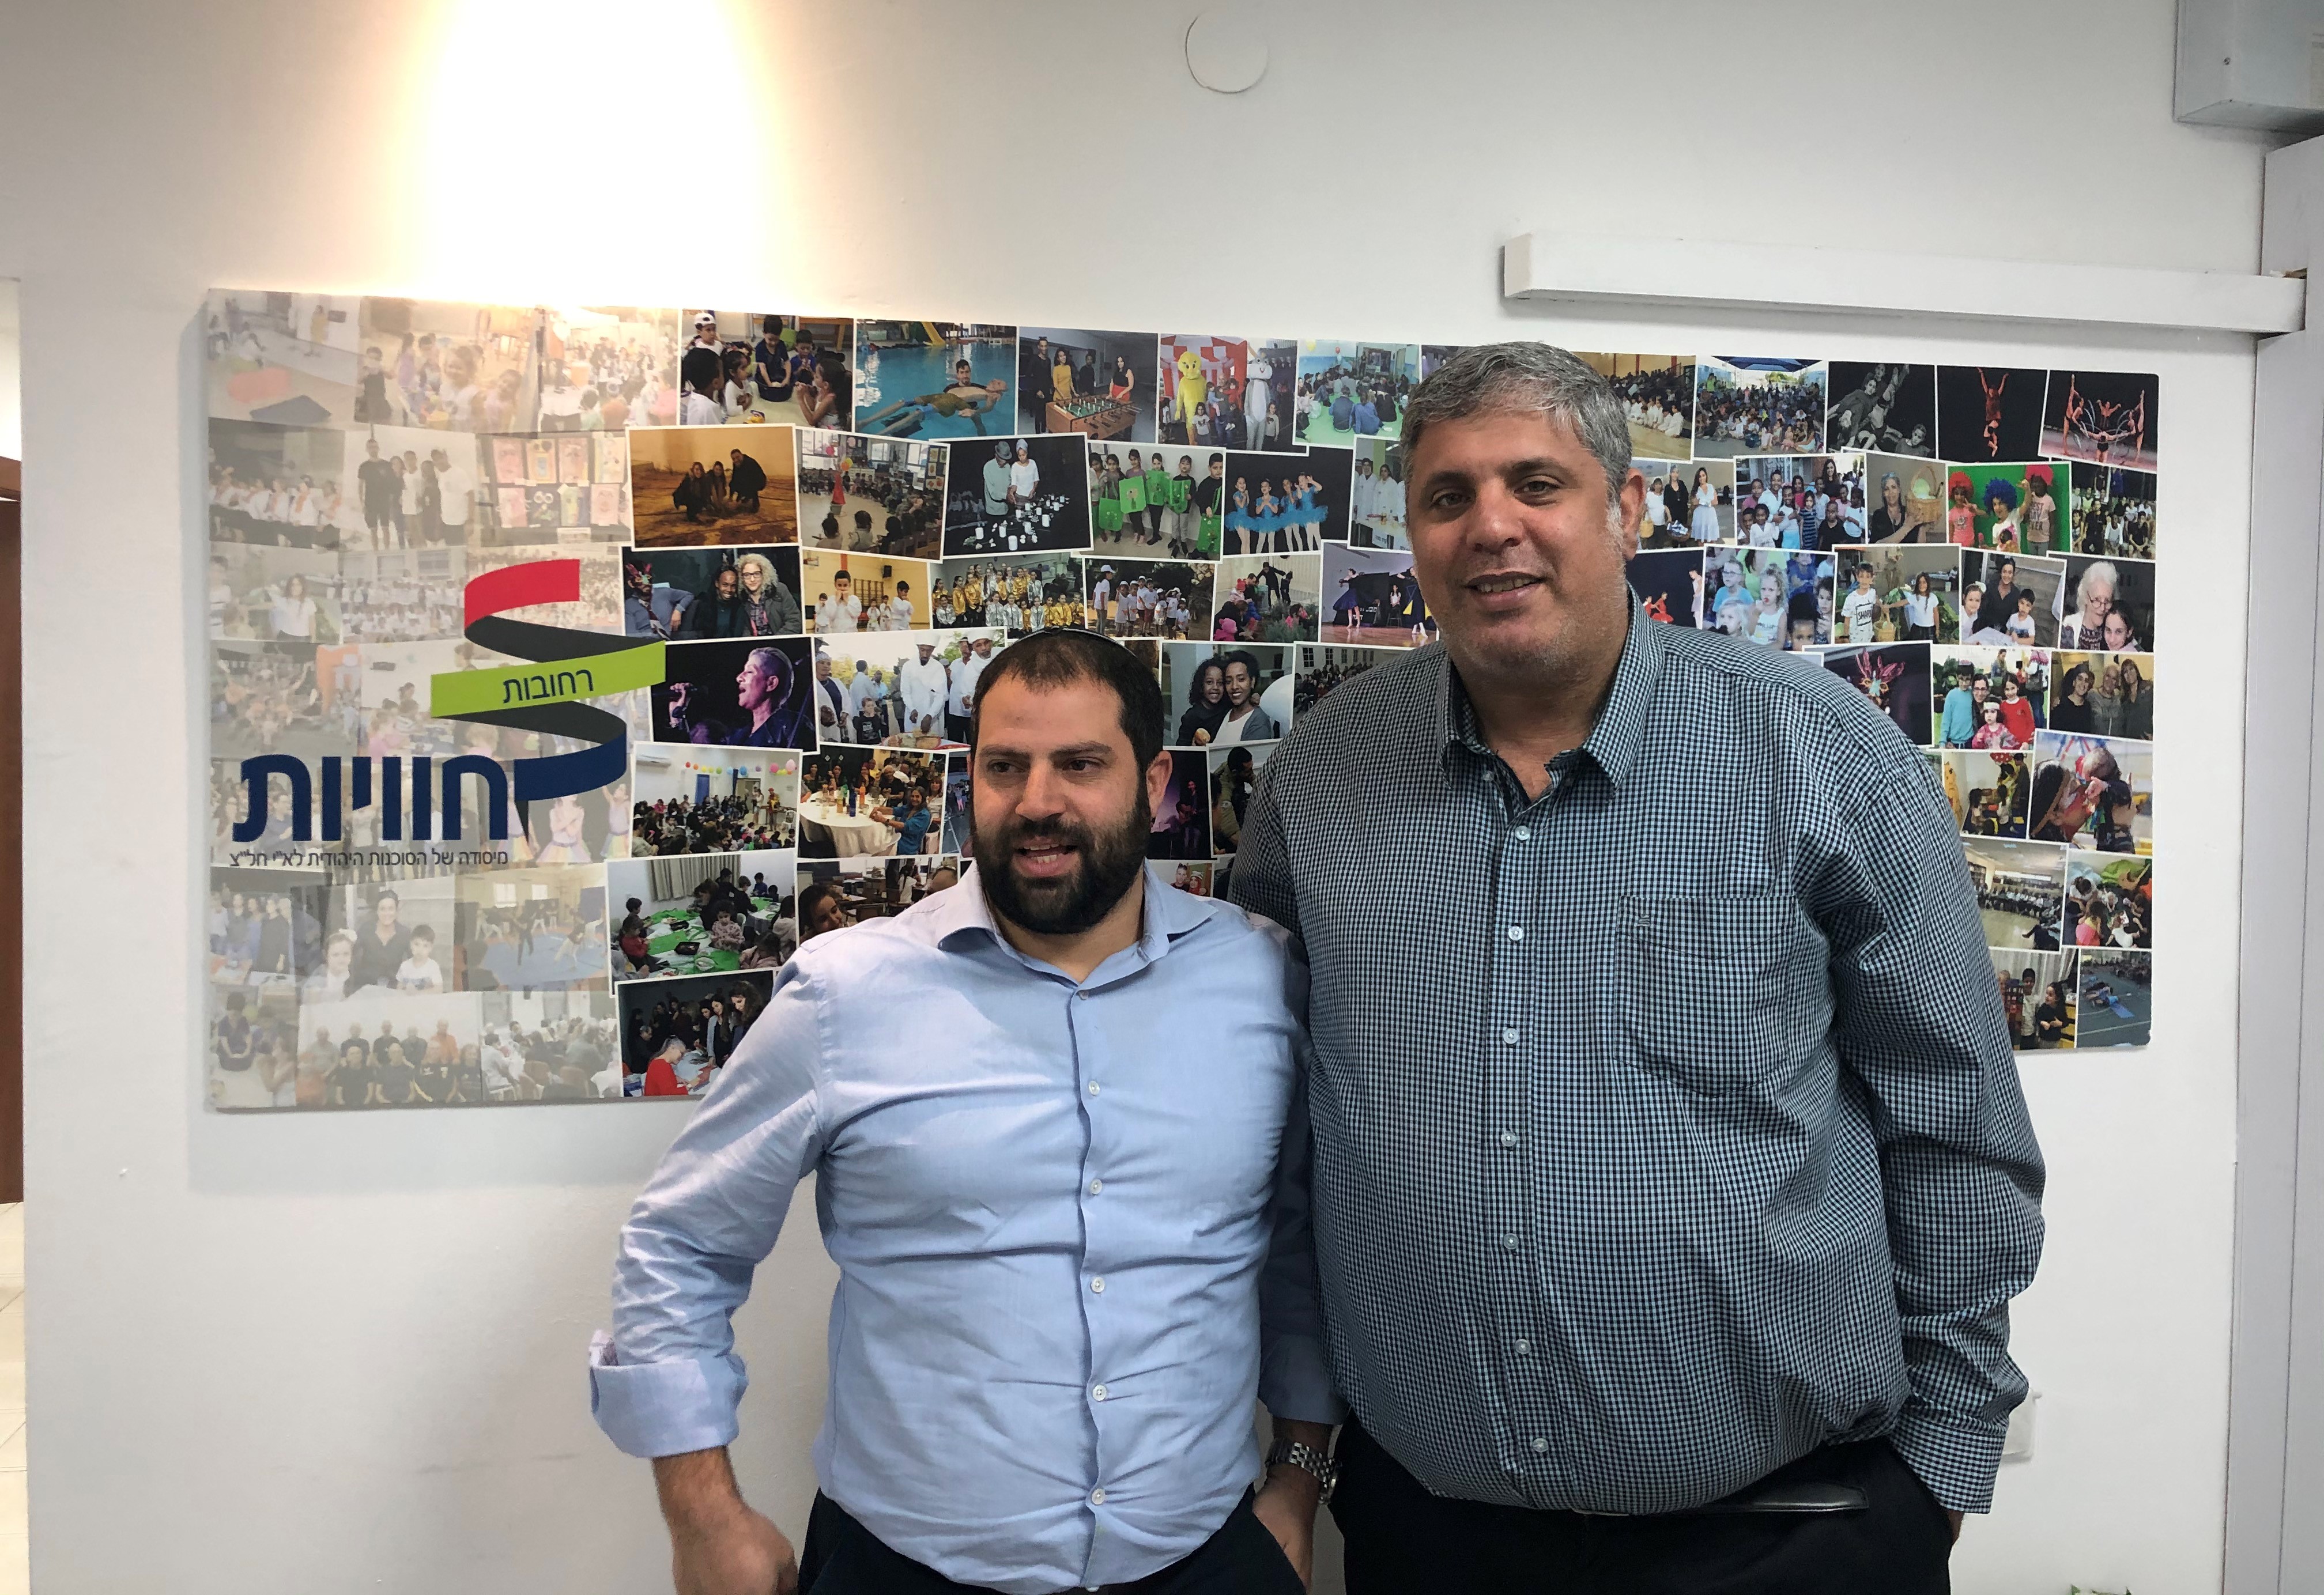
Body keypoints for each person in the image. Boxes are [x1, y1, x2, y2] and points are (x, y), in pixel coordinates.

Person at [1231, 342, 2043, 1594]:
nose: (1491, 526)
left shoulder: (1822, 755)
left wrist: (1937, 1470)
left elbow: (1959, 1121)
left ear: (1626, 508)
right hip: (1436, 1535)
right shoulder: (1322, 782)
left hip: (1791, 1533)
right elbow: (1281, 1133)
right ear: (1415, 539)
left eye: (1535, 484)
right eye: (1447, 496)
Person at [592, 631, 1338, 1594]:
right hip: (901, 1571)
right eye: (1005, 766)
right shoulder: (845, 994)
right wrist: (702, 1516)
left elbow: (1301, 1248)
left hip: (1206, 1558)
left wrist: (1299, 1479)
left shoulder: (1261, 979)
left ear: (1153, 784)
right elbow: (680, 1244)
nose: (1037, 802)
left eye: (1080, 765)